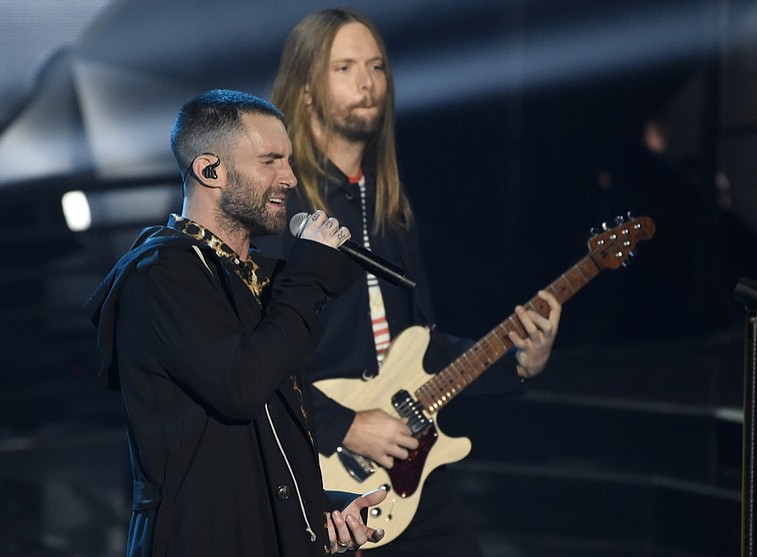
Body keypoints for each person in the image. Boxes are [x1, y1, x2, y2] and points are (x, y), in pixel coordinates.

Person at [255, 9, 562, 556]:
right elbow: (248, 353)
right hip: (317, 465)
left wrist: (518, 361)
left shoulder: (390, 204)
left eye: (375, 66)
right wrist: (342, 425)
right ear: (305, 91)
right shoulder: (280, 203)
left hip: (403, 459)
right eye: (344, 67)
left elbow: (425, 344)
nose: (367, 82)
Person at [84, 89, 388, 556]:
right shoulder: (161, 275)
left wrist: (316, 512)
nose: (289, 178)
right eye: (270, 160)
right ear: (210, 170)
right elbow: (240, 386)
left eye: (287, 160)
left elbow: (260, 443)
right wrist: (306, 280)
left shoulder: (258, 279)